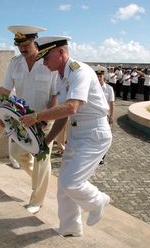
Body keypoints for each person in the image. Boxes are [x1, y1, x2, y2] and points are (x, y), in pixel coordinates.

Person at [20, 36, 112, 237]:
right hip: (78, 134)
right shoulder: (61, 77)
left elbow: (72, 106)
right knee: (63, 184)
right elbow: (63, 115)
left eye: (46, 57)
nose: (43, 63)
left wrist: (37, 117)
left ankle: (98, 200)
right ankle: (70, 227)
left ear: (61, 53)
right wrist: (46, 141)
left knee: (72, 182)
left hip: (94, 134)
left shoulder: (80, 72)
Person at [0, 25, 58, 214]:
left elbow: (55, 94)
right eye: (19, 45)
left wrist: (45, 119)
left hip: (44, 119)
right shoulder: (15, 63)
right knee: (17, 153)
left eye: (26, 44)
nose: (22, 49)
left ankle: (37, 200)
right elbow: (4, 90)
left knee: (41, 158)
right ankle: (40, 179)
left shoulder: (48, 63)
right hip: (22, 119)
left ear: (35, 42)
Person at [94, 65, 115, 165]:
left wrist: (111, 116)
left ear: (104, 77)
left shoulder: (109, 89)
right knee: (95, 137)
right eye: (97, 77)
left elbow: (111, 103)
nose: (98, 78)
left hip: (105, 116)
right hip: (94, 116)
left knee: (104, 137)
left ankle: (102, 157)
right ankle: (95, 156)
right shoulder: (92, 88)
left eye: (100, 77)